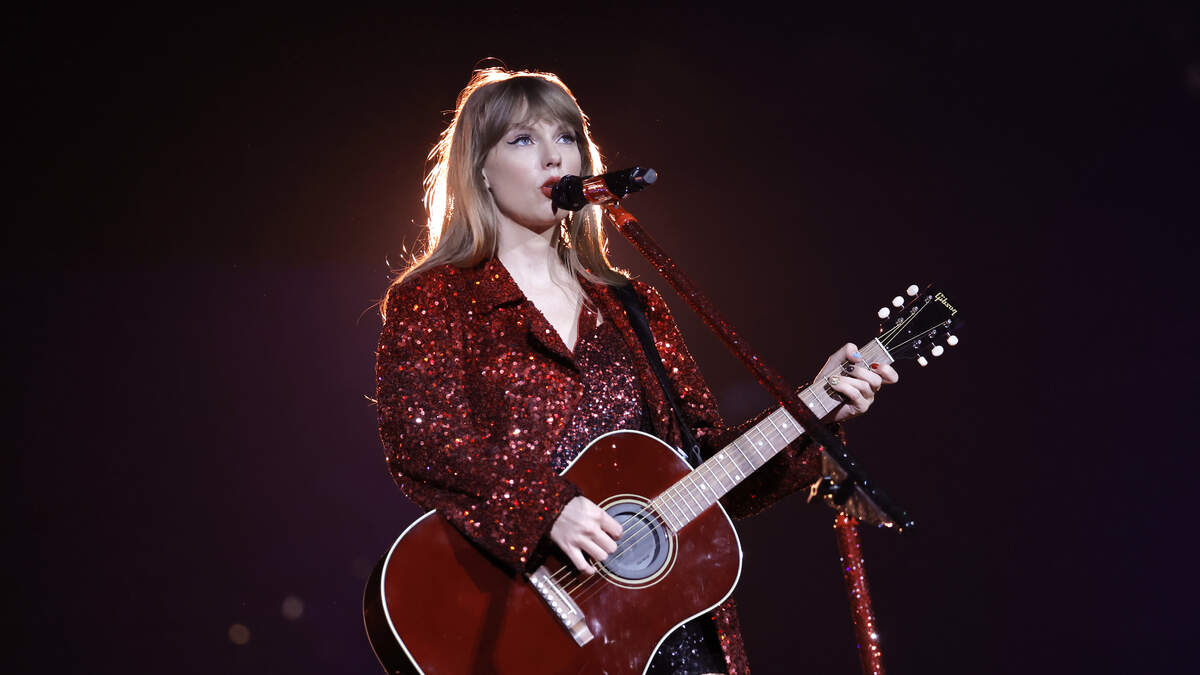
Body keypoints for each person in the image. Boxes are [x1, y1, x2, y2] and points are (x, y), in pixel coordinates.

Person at [375, 67, 899, 675]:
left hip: (667, 633)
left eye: (565, 137)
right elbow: (422, 439)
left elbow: (707, 469)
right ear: (480, 170)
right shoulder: (438, 298)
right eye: (522, 140)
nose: (553, 156)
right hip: (520, 616)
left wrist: (814, 408)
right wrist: (546, 507)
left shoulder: (633, 307)